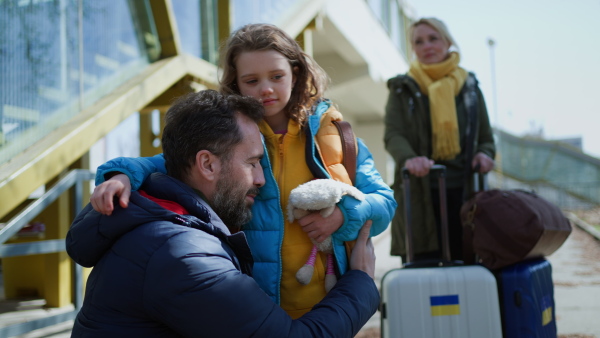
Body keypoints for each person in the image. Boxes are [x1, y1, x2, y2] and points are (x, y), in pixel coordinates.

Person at [87, 23, 396, 318]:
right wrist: (123, 175)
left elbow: (384, 200)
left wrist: (345, 216)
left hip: (332, 302)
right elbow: (165, 160)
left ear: (296, 73)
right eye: (252, 81)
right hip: (257, 307)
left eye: (277, 76)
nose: (266, 89)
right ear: (235, 83)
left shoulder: (337, 136)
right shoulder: (230, 136)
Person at [66, 90, 379, 337]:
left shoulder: (161, 226)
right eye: (253, 163)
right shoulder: (182, 255)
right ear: (208, 165)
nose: (261, 179)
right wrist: (361, 281)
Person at [384, 18, 495, 263]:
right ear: (413, 48)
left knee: (467, 268)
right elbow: (393, 134)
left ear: (447, 41)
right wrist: (410, 158)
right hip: (419, 192)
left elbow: (486, 137)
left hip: (466, 191)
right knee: (423, 272)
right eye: (419, 42)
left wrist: (485, 154)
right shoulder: (403, 87)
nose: (427, 46)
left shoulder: (470, 86)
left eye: (433, 38)